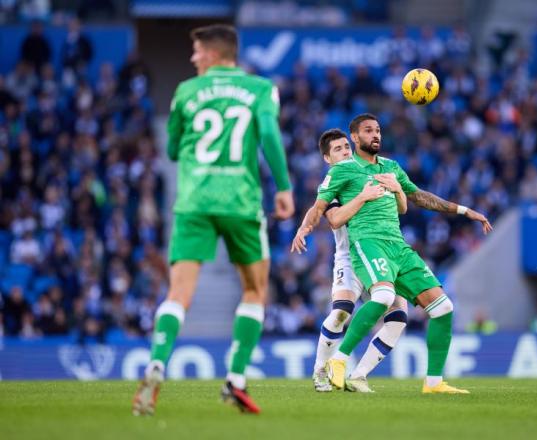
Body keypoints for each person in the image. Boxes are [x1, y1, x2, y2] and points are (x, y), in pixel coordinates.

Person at [132, 24, 294, 416]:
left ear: (216, 54)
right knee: (255, 290)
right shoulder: (260, 89)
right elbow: (270, 133)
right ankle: (236, 378)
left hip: (193, 203)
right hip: (240, 201)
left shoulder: (186, 91)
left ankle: (156, 363)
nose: (192, 58)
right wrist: (283, 187)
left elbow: (171, 149)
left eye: (197, 51)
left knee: (178, 294)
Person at [292, 113, 492, 394]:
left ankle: (402, 380)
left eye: (378, 130)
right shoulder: (340, 173)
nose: (375, 135)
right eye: (368, 131)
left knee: (431, 310)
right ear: (354, 138)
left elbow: (416, 199)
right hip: (359, 249)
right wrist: (304, 228)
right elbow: (327, 214)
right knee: (349, 309)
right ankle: (329, 365)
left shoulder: (391, 168)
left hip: (395, 247)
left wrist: (463, 211)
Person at [295, 129, 409, 393]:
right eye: (338, 149)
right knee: (341, 312)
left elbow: (399, 208)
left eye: (347, 146)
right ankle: (320, 370)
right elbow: (327, 214)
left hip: (381, 253)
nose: (346, 151)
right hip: (349, 257)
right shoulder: (334, 182)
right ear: (327, 158)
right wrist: (304, 228)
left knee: (399, 317)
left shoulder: (373, 173)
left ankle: (358, 375)